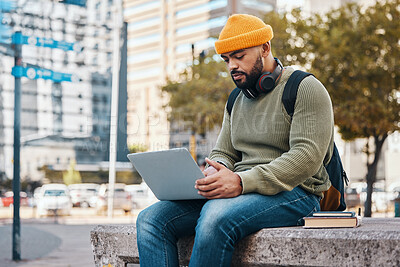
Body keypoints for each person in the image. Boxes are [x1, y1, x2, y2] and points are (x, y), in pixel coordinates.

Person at [136, 14, 334, 266]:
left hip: (296, 193)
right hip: (239, 190)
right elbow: (224, 152)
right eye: (227, 59)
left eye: (239, 56)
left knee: (215, 216)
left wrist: (241, 181)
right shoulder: (236, 99)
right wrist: (215, 171)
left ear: (265, 48)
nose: (232, 66)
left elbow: (306, 157)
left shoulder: (305, 88)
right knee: (151, 220)